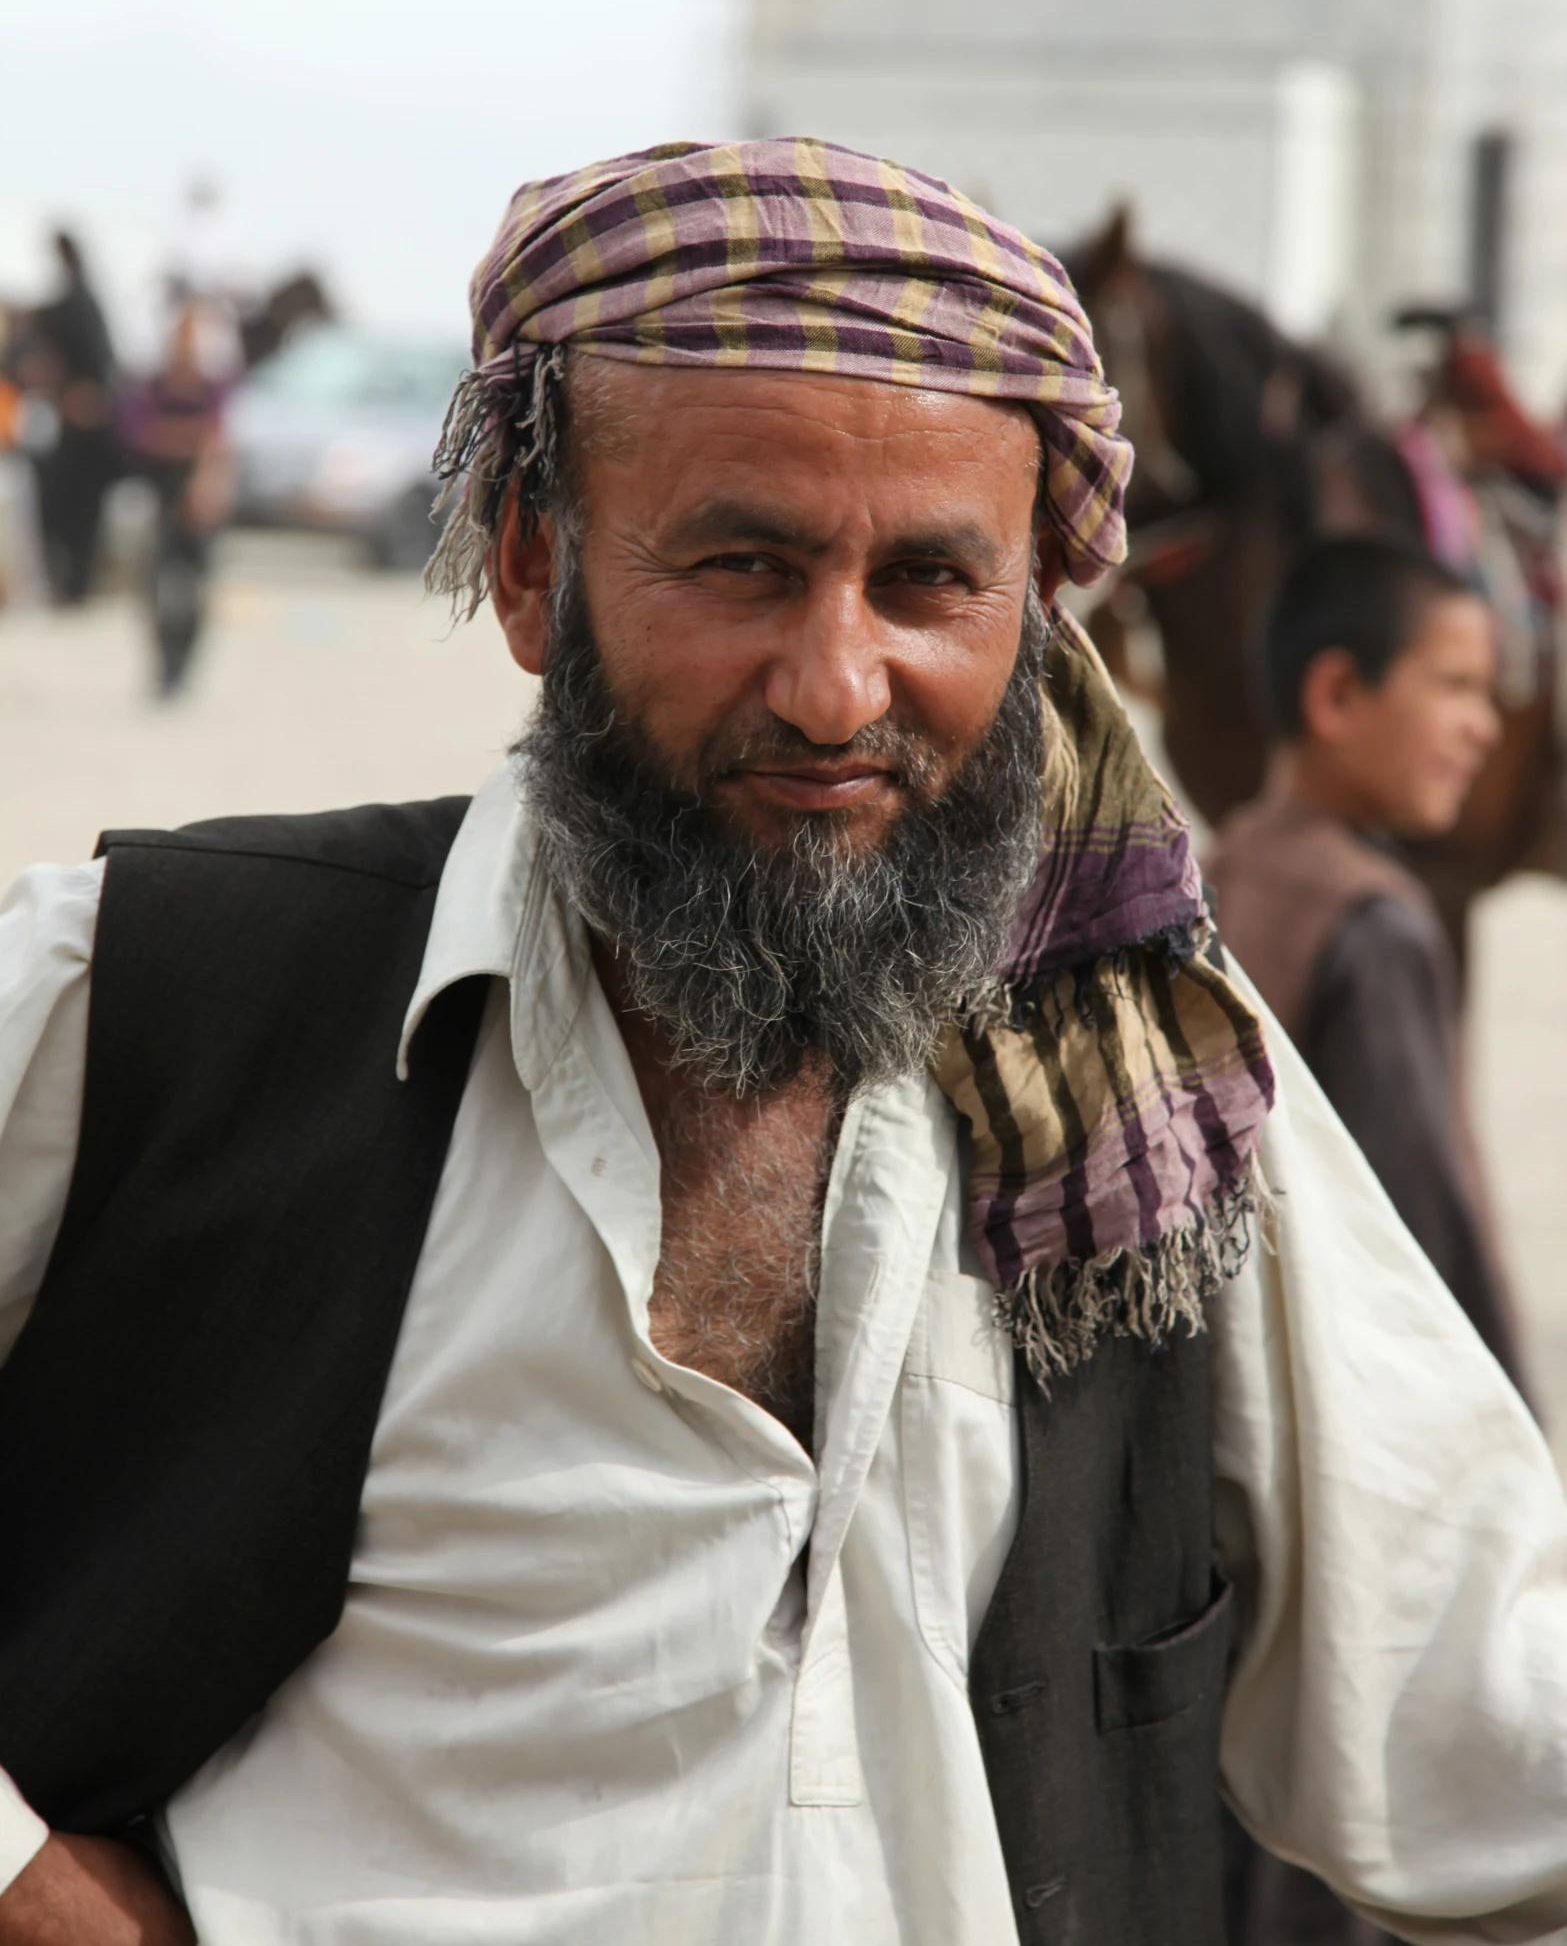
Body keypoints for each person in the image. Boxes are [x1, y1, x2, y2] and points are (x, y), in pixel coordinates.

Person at [0, 142, 1565, 1946]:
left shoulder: (1150, 1111)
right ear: (531, 565)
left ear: (1038, 608)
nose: (837, 688)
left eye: (927, 585)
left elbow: (1478, 1710)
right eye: (743, 565)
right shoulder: (166, 990)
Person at [1206, 534, 1533, 1946]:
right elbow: (1433, 1278)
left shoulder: (1225, 868)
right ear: (1335, 693)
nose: (1484, 724)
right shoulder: (1375, 924)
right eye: (1454, 685)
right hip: (1342, 1512)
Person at [120, 292, 237, 696]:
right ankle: (164, 666)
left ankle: (183, 670)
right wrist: (193, 440)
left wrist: (204, 480)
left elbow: (219, 444)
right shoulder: (153, 387)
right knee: (155, 589)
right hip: (160, 498)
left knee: (196, 590)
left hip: (200, 499)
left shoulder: (213, 388)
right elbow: (141, 435)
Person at [15, 231, 119, 605]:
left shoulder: (79, 304)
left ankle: (77, 584)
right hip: (66, 422)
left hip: (86, 425)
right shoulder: (69, 304)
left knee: (81, 510)